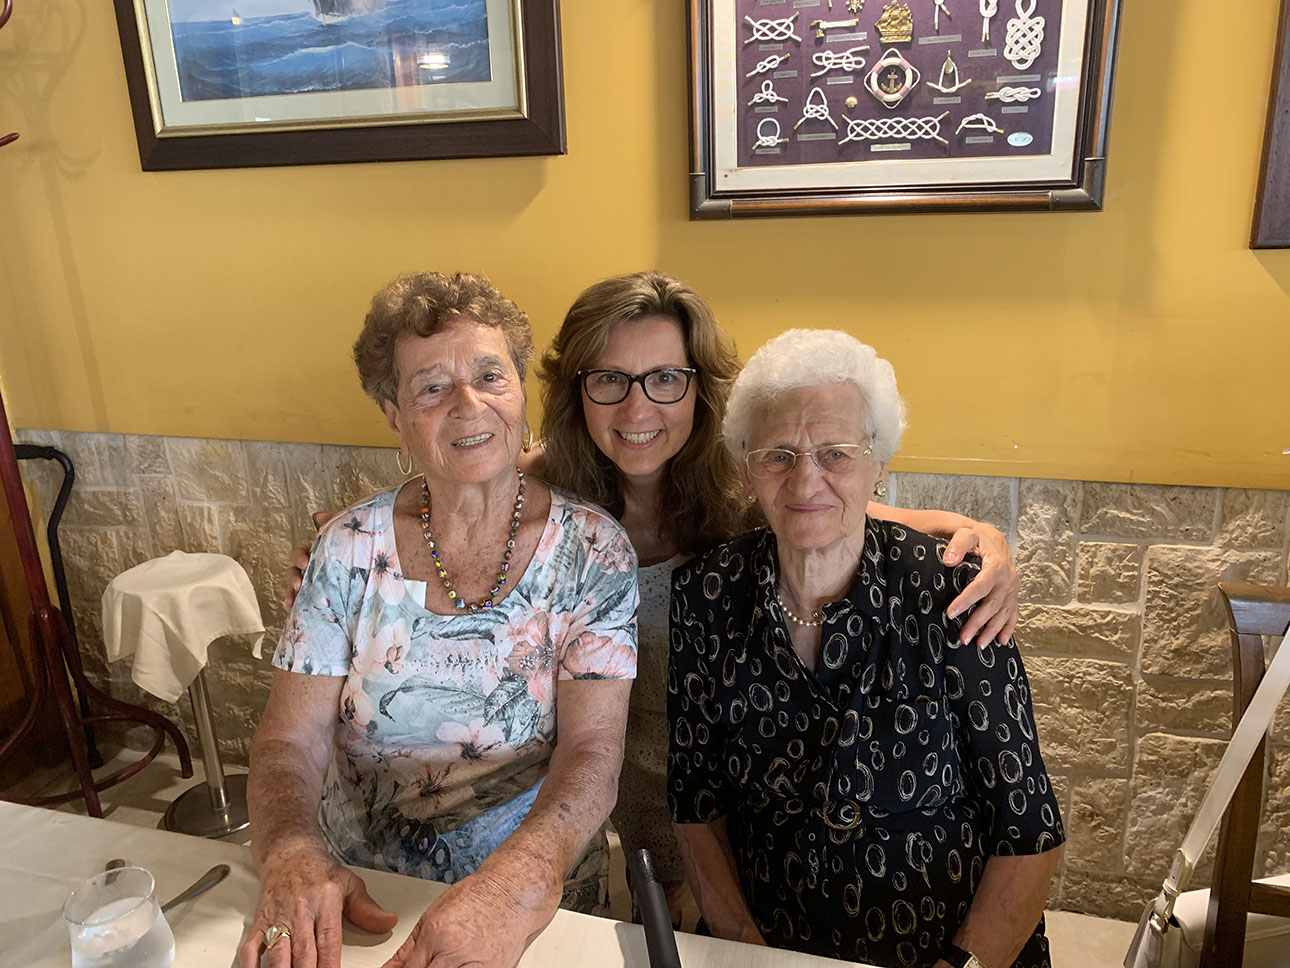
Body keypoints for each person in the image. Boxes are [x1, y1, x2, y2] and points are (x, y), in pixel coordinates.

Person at [286, 271, 1022, 926]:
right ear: (578, 391)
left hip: (728, 781)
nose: (637, 407)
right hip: (615, 784)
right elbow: (452, 486)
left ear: (700, 388)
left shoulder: (744, 496)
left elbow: (839, 500)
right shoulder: (552, 493)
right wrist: (340, 554)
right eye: (609, 379)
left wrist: (976, 537)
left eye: (666, 377)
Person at [240, 272, 638, 968]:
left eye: (490, 375)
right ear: (395, 415)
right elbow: (287, 742)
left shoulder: (593, 551)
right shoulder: (349, 548)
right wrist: (292, 854)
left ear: (520, 392)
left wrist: (512, 888)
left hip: (530, 894)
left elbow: (594, 751)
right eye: (431, 387)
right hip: (363, 893)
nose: (468, 404)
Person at [668, 329, 1063, 968]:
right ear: (745, 471)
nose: (806, 478)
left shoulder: (953, 593)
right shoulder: (706, 595)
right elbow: (696, 800)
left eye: (836, 453)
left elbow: (1027, 824)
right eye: (778, 455)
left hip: (946, 949)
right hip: (774, 948)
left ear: (880, 466)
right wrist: (747, 953)